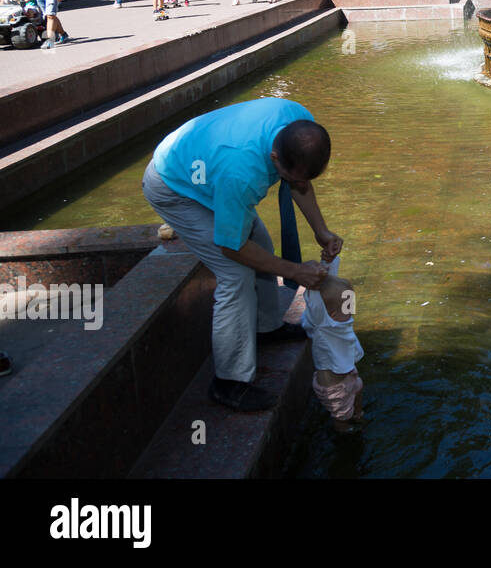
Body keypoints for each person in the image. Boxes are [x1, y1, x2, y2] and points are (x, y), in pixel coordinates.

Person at [141, 98, 339, 411]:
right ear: (274, 157)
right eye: (293, 177)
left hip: (207, 168)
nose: (301, 184)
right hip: (175, 186)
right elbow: (230, 247)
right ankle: (229, 383)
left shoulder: (300, 123)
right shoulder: (241, 172)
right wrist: (296, 271)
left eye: (307, 178)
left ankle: (267, 327)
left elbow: (299, 182)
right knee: (236, 274)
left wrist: (321, 231)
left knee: (261, 243)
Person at [301, 258, 365, 434]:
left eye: (351, 301)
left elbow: (331, 279)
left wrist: (329, 261)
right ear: (331, 313)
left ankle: (358, 413)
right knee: (341, 416)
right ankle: (344, 431)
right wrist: (311, 285)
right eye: (347, 304)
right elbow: (315, 299)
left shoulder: (343, 321)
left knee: (358, 389)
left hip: (348, 375)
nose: (351, 309)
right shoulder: (323, 325)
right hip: (334, 387)